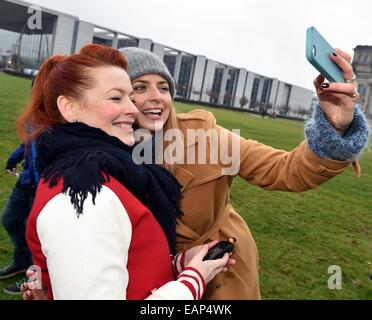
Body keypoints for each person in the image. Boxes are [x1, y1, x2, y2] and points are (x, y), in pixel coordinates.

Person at [22, 46, 370, 300]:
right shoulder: (95, 156)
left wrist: (333, 128)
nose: (154, 98)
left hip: (221, 278)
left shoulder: (207, 138)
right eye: (138, 88)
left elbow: (287, 171)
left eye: (164, 87)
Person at [17, 44, 233, 300]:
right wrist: (193, 280)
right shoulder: (82, 197)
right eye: (116, 98)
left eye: (130, 97)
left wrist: (180, 263)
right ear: (69, 107)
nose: (132, 109)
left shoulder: (108, 171)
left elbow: (126, 264)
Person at [0, 140, 39, 295]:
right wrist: (15, 158)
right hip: (26, 179)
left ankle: (35, 279)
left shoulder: (65, 117)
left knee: (38, 234)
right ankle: (22, 261)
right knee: (10, 219)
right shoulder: (35, 116)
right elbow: (30, 141)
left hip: (45, 184)